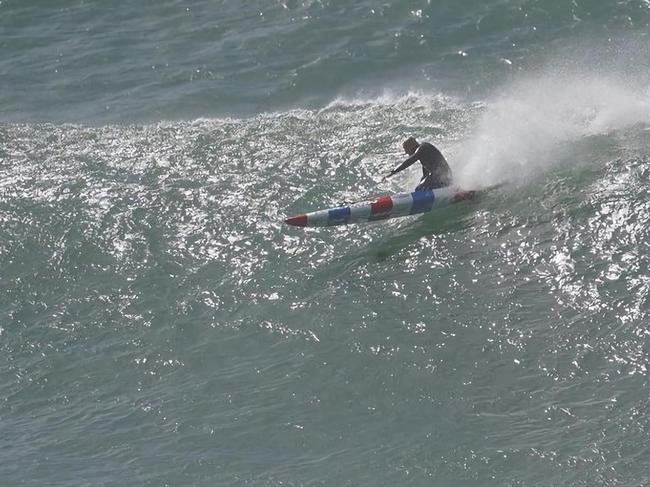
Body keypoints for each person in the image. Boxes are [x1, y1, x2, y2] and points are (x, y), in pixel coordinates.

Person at [384, 137, 452, 191]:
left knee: (420, 189)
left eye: (406, 149)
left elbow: (409, 161)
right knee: (419, 187)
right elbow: (425, 175)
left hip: (442, 177)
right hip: (442, 177)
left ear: (411, 146)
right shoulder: (423, 154)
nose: (406, 152)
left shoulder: (423, 148)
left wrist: (394, 172)